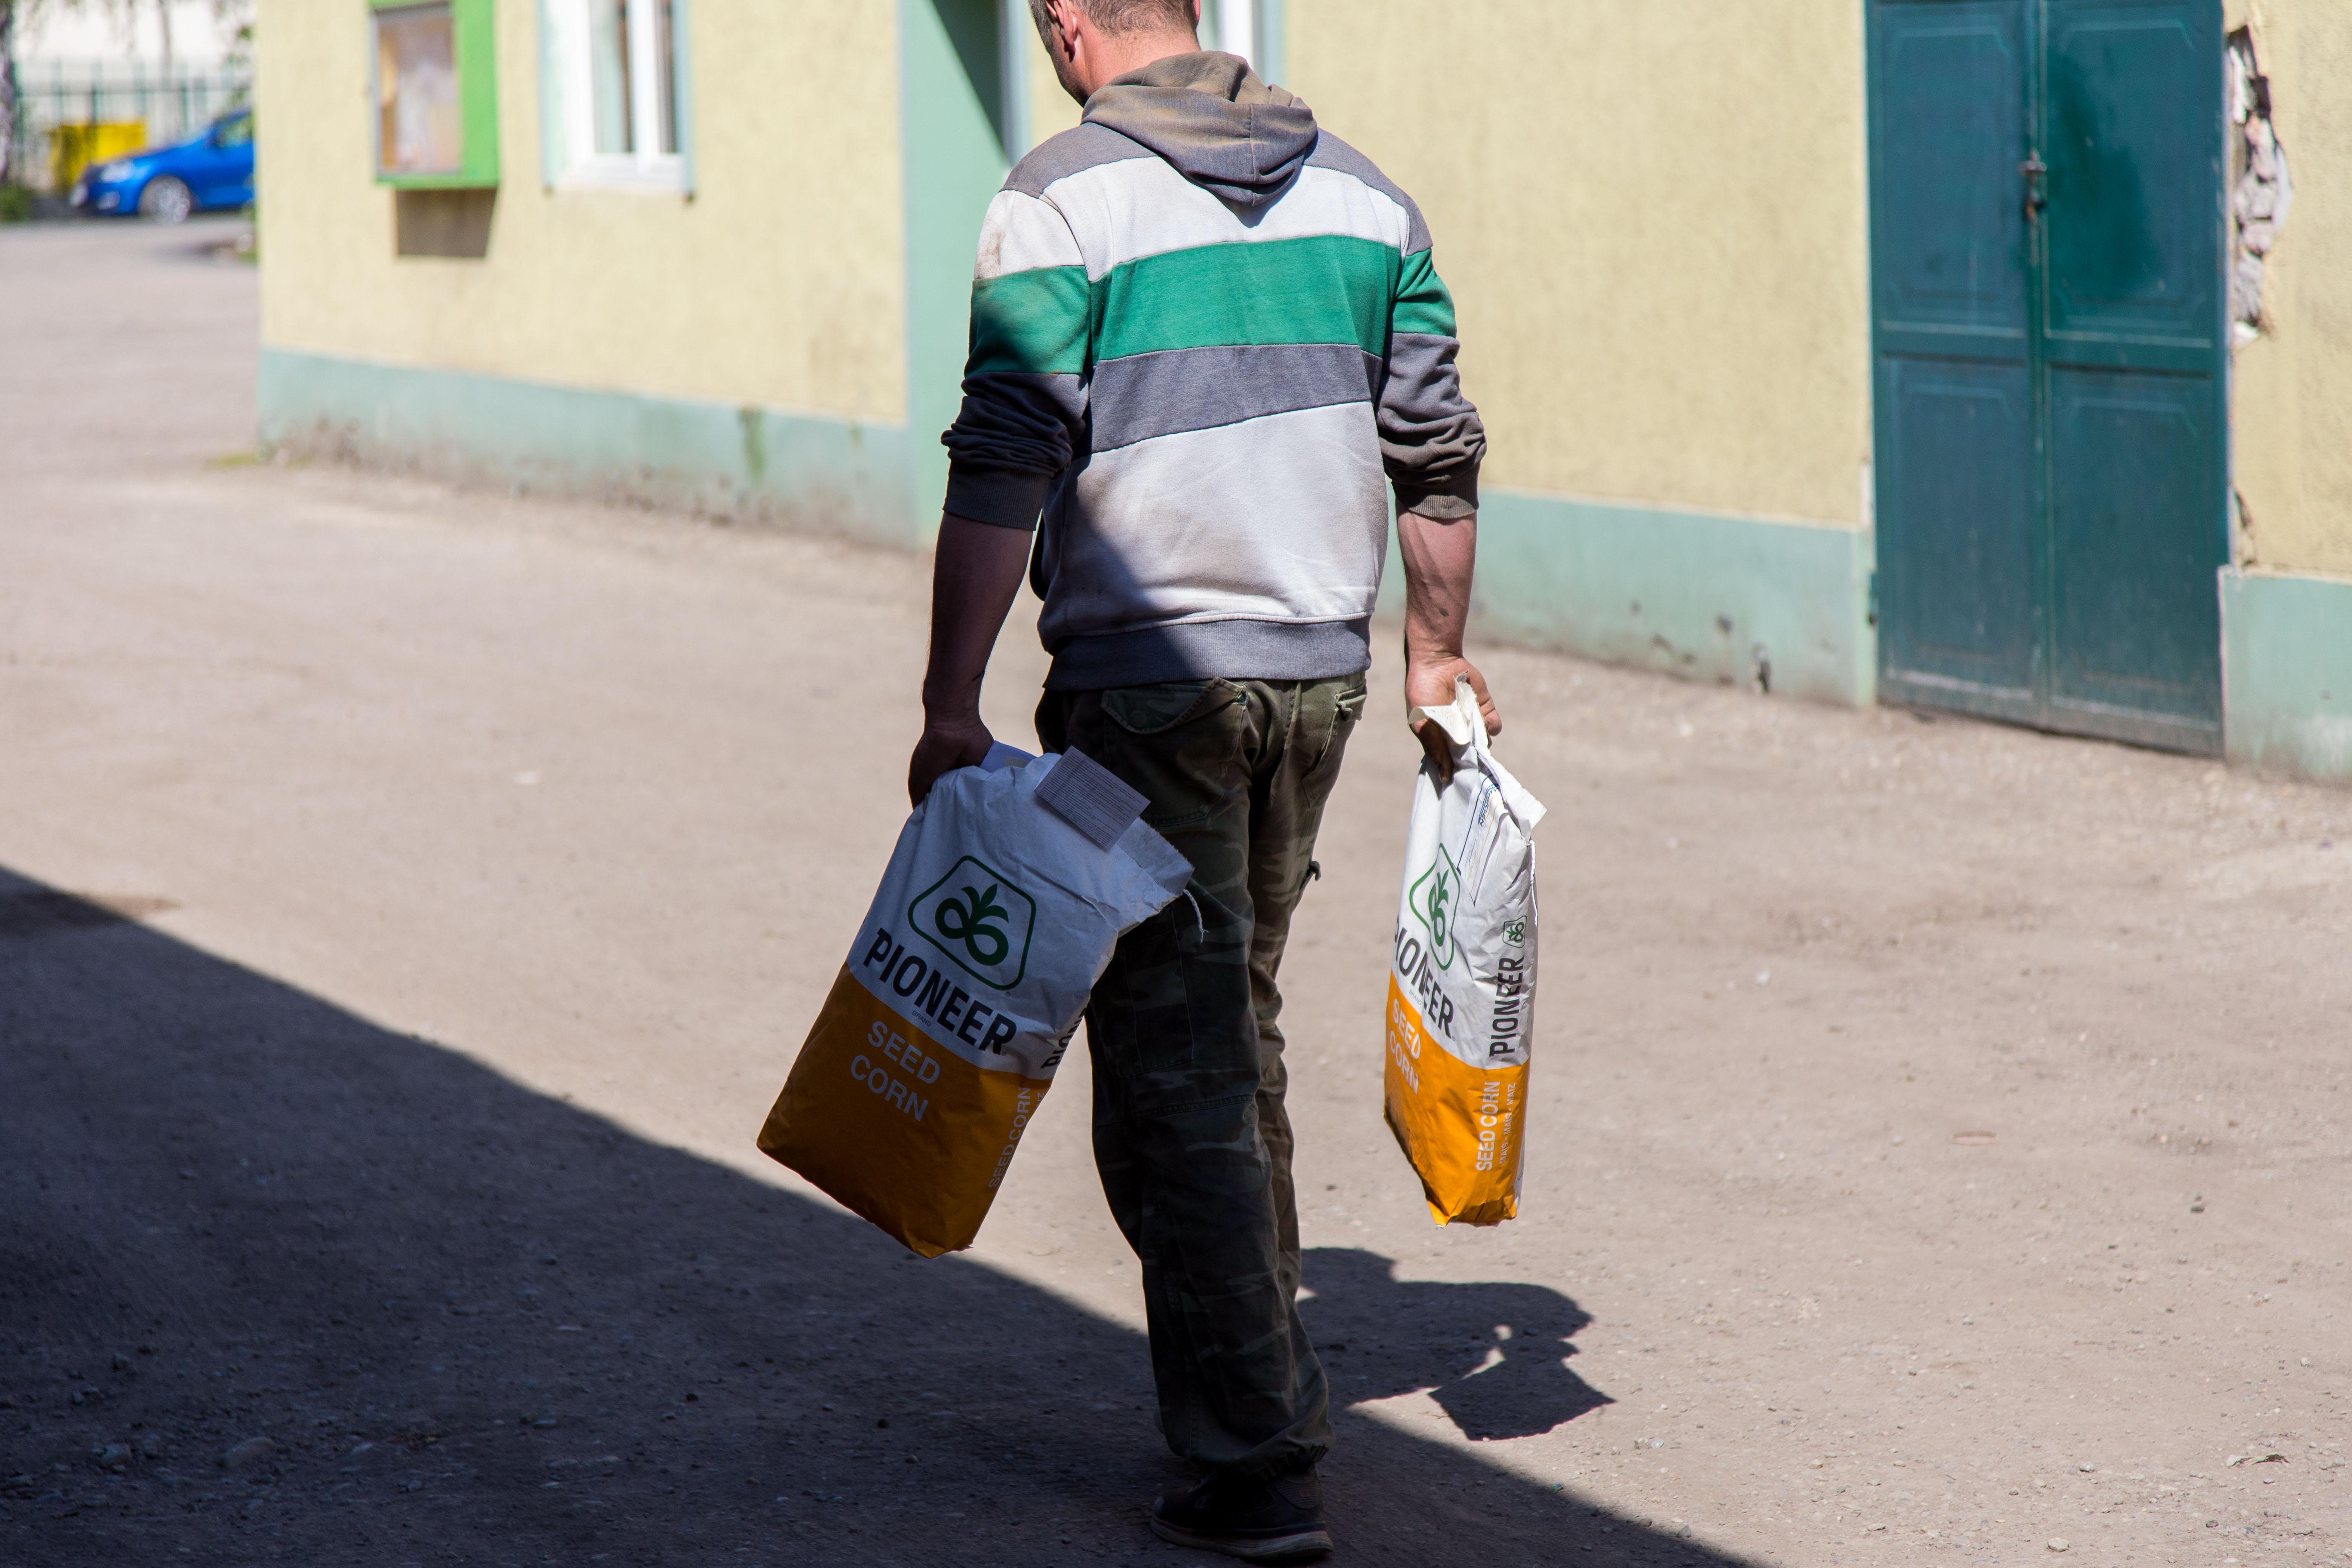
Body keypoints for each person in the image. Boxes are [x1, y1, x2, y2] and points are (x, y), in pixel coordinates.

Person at [905, 1, 1496, 1559]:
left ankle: (1255, 1456)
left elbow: (1004, 454)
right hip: (1320, 685)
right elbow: (1434, 456)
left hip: (1144, 688)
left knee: (1176, 1075)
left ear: (1071, 24)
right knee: (1229, 1026)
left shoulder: (1058, 199)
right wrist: (1434, 658)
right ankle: (1265, 1368)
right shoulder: (1371, 198)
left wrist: (950, 702)